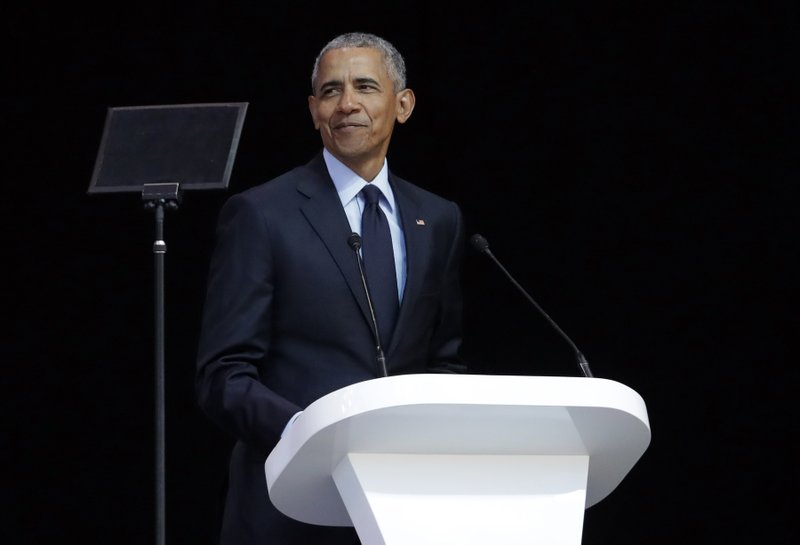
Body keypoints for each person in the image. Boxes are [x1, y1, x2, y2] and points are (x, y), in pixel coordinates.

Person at [195, 31, 467, 545]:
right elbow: (223, 375)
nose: (347, 105)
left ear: (402, 104)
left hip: (403, 507)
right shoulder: (262, 215)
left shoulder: (439, 218)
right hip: (291, 507)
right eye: (329, 91)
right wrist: (314, 433)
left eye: (366, 87)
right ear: (313, 110)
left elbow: (443, 361)